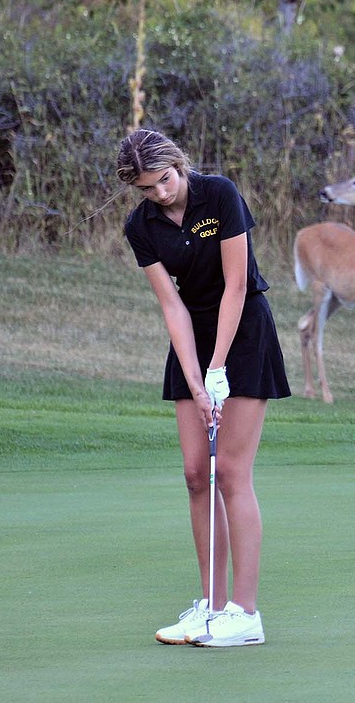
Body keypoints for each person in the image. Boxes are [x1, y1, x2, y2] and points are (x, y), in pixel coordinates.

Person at [116, 129, 290, 647]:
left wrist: (218, 369)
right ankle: (211, 607)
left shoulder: (219, 194)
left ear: (178, 165)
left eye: (165, 180)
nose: (161, 194)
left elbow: (236, 285)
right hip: (192, 334)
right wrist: (195, 379)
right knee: (196, 473)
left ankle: (245, 613)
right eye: (148, 189)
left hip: (243, 331)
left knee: (231, 470)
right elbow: (172, 305)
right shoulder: (141, 225)